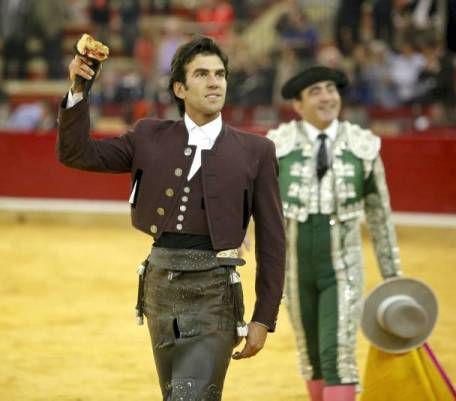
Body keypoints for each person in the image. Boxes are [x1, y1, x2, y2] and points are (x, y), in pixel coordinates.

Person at [57, 36, 286, 400]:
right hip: (160, 292)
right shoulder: (149, 136)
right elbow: (76, 153)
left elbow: (275, 240)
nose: (215, 82)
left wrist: (263, 317)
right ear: (180, 88)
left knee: (189, 396)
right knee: (176, 393)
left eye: (220, 74)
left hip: (216, 294)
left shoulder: (257, 150)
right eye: (202, 74)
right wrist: (79, 89)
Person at [267, 66, 402, 401]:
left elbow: (380, 217)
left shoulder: (363, 147)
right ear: (297, 105)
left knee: (337, 353)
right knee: (310, 355)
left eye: (331, 89)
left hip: (342, 268)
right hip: (294, 270)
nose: (327, 97)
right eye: (315, 92)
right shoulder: (277, 147)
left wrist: (394, 277)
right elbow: (254, 204)